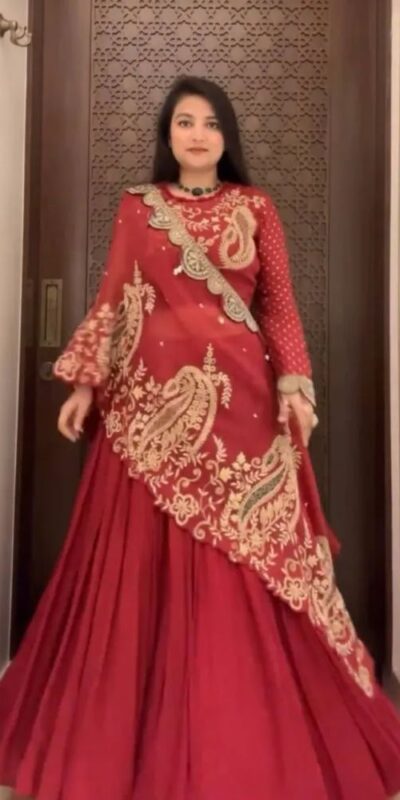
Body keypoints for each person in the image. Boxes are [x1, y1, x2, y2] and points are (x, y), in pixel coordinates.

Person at [0, 75, 400, 800]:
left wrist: (294, 385)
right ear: (168, 134)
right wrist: (85, 383)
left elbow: (278, 305)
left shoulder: (256, 207)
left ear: (226, 138)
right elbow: (114, 299)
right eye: (185, 121)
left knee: (244, 556)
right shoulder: (138, 207)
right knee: (140, 566)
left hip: (241, 406)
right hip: (148, 416)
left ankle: (247, 726)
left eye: (211, 123)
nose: (198, 134)